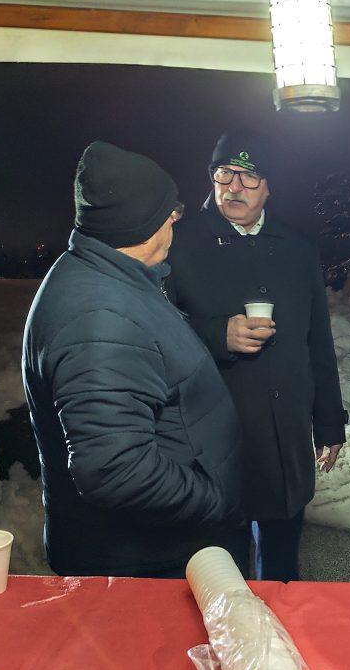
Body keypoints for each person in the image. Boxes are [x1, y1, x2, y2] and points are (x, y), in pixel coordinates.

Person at [23, 141, 245, 577]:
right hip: (150, 560)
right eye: (170, 210)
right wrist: (213, 500)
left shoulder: (112, 279)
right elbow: (115, 471)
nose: (176, 218)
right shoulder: (98, 319)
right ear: (142, 223)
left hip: (165, 548)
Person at [166, 130, 347, 581]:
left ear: (269, 186)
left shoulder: (298, 249)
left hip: (284, 435)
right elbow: (153, 330)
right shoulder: (178, 243)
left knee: (282, 570)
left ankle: (280, 622)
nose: (234, 187)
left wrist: (329, 421)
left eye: (249, 177)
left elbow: (317, 342)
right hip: (211, 438)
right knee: (217, 573)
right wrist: (215, 335)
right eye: (224, 174)